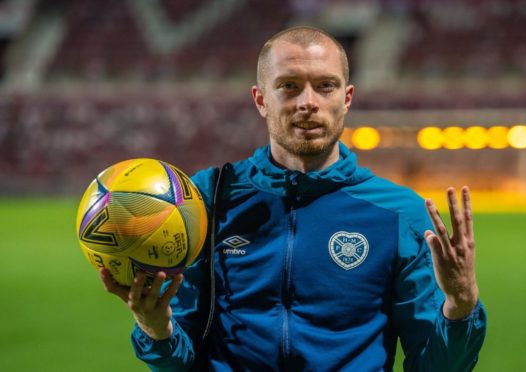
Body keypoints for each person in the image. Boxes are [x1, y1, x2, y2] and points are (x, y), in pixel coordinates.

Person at [100, 26, 486, 371]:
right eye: (289, 85)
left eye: (326, 86)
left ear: (347, 98)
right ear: (260, 99)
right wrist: (156, 329)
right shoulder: (201, 201)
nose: (308, 101)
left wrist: (460, 308)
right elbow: (178, 361)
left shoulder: (399, 214)